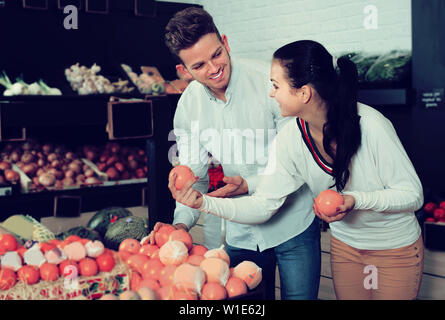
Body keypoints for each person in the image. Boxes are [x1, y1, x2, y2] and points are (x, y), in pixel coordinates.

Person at [169, 39, 425, 300]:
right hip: (346, 247)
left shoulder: (371, 125)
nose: (270, 93)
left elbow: (413, 195)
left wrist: (355, 200)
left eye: (276, 86)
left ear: (303, 93)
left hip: (394, 247)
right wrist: (202, 203)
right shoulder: (291, 137)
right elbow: (263, 205)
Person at [152, 8, 322, 300]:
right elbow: (195, 179)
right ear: (184, 71)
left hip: (293, 225)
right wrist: (180, 224)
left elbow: (298, 160)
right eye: (199, 65)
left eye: (217, 54)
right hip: (241, 234)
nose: (214, 68)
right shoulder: (189, 107)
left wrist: (248, 185)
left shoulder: (271, 83)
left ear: (226, 42)